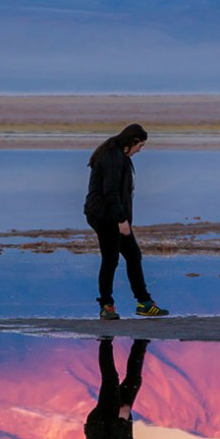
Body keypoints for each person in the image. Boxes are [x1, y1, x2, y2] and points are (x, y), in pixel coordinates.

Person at [84, 123, 168, 320]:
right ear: (132, 142)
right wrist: (121, 220)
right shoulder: (112, 157)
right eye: (140, 146)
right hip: (105, 217)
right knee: (111, 259)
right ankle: (107, 306)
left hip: (110, 215)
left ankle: (144, 303)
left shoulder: (118, 154)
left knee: (132, 255)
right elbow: (110, 192)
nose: (140, 150)